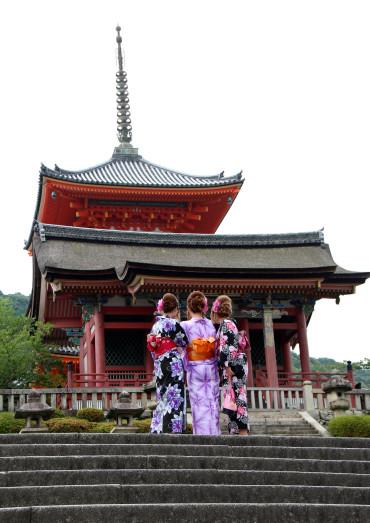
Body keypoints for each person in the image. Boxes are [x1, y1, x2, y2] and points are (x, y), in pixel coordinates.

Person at [147, 293, 188, 434]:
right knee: (175, 395)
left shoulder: (155, 326)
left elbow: (152, 348)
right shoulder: (173, 323)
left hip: (159, 364)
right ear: (176, 309)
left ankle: (158, 427)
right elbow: (183, 341)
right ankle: (172, 429)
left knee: (163, 395)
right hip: (172, 363)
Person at [181, 291, 220, 435]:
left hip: (195, 368)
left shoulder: (184, 325)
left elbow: (181, 349)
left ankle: (202, 438)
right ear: (204, 308)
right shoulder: (211, 324)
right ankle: (214, 435)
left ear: (189, 308)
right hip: (211, 368)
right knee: (212, 403)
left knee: (198, 405)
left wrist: (186, 364)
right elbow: (215, 347)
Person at [212, 295, 250, 435]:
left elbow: (226, 347)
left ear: (215, 312)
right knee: (234, 398)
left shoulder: (226, 325)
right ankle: (237, 431)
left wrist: (226, 366)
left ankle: (241, 431)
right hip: (235, 366)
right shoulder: (230, 323)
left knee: (237, 398)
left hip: (232, 367)